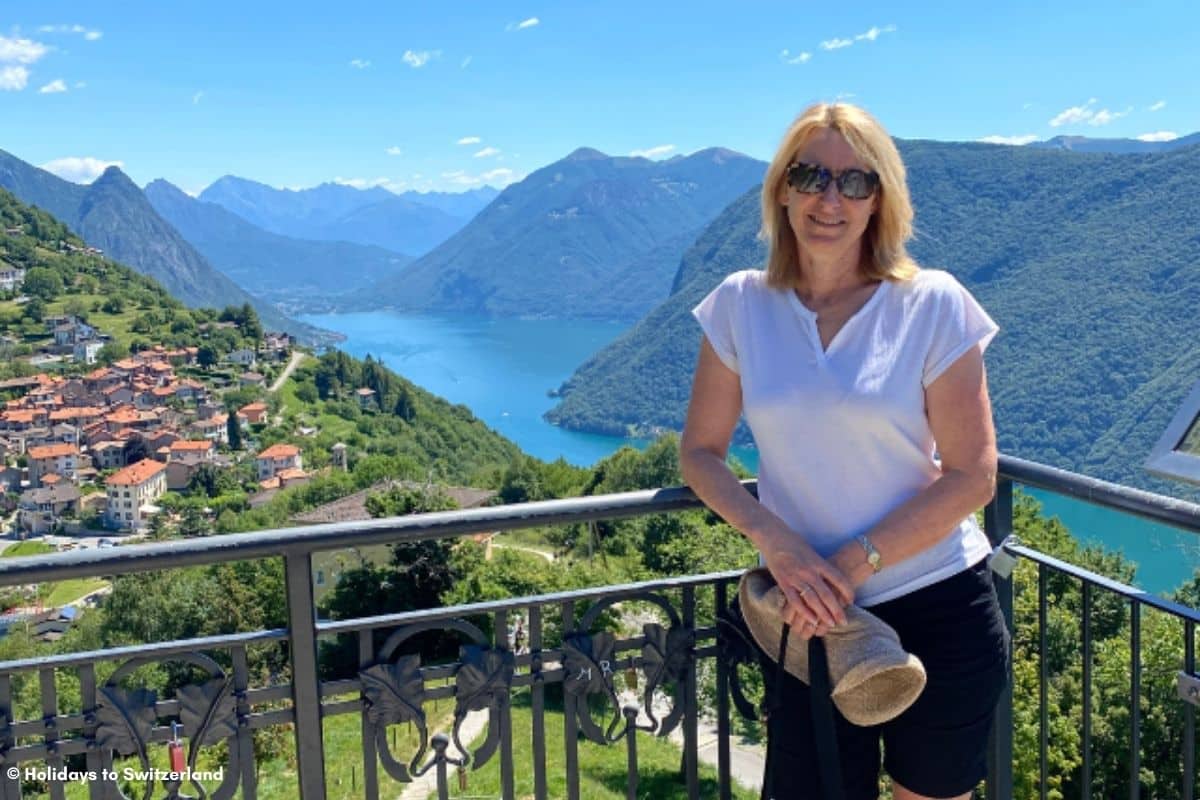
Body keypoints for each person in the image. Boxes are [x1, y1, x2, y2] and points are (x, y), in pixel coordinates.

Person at [679, 102, 1008, 800]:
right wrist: (781, 547)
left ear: (879, 199)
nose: (830, 198)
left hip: (938, 604)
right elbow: (701, 454)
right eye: (810, 175)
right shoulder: (741, 304)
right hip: (811, 618)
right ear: (782, 191)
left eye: (855, 181)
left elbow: (974, 476)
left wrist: (847, 566)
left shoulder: (933, 304)